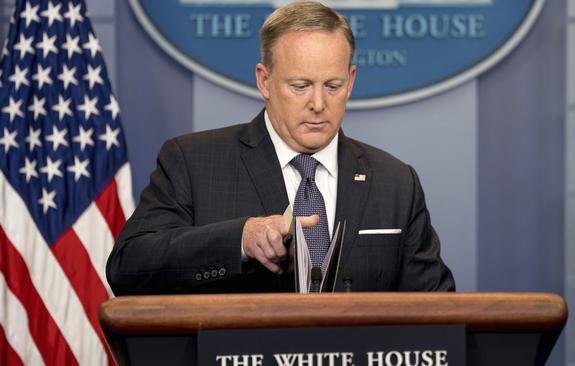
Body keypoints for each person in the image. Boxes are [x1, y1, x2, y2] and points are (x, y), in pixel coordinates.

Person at [107, 1, 454, 295]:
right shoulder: (193, 162)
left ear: (351, 81)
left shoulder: (394, 182)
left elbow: (439, 308)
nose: (318, 103)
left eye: (332, 85)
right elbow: (128, 267)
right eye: (300, 86)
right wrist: (240, 240)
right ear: (265, 81)